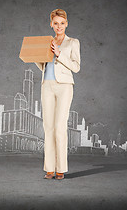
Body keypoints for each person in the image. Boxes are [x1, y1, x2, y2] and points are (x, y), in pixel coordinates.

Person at [35, 9, 81, 180]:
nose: (59, 26)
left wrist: (60, 54)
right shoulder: (48, 41)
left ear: (66, 24)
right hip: (47, 85)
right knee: (48, 128)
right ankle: (49, 169)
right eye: (56, 23)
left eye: (62, 23)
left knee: (60, 127)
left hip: (64, 86)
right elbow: (45, 66)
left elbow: (76, 67)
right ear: (51, 24)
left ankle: (60, 169)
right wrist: (36, 56)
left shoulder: (73, 42)